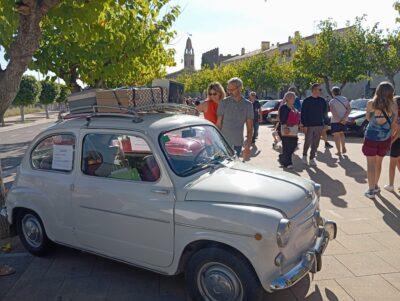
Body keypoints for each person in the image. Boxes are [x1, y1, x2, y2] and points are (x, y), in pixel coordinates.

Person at [362, 82, 398, 199]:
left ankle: (371, 190)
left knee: (370, 163)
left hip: (371, 137)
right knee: (379, 162)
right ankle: (376, 185)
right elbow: (393, 123)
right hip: (385, 138)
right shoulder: (394, 105)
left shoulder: (371, 103)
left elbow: (367, 118)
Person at [216, 77, 254, 159]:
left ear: (240, 88)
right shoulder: (223, 103)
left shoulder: (248, 105)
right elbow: (218, 125)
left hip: (238, 144)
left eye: (232, 89)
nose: (229, 92)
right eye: (228, 89)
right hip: (223, 144)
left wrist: (247, 146)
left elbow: (250, 128)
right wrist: (215, 143)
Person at [301, 83, 329, 166]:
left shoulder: (322, 101)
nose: (320, 91)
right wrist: (304, 125)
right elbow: (303, 114)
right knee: (308, 141)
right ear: (313, 90)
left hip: (319, 125)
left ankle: (312, 158)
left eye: (321, 90)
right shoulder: (306, 101)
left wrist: (326, 123)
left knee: (316, 143)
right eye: (319, 89)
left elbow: (325, 113)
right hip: (309, 125)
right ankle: (304, 155)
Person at [278, 92, 300, 169]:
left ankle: (282, 157)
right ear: (287, 98)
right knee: (287, 146)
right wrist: (286, 126)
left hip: (294, 130)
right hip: (286, 129)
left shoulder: (294, 107)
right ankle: (288, 163)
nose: (294, 99)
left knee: (294, 145)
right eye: (292, 98)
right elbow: (282, 119)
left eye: (294, 98)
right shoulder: (283, 107)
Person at [384, 95, 400, 192]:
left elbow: (398, 133)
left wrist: (389, 143)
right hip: (397, 141)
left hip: (397, 142)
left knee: (392, 165)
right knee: (398, 162)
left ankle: (391, 185)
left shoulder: (397, 116)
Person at [329, 86, 351, 156]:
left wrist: (339, 120)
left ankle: (338, 151)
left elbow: (333, 112)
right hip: (344, 120)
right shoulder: (345, 99)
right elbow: (349, 109)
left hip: (335, 121)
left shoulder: (332, 101)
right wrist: (344, 118)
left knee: (336, 136)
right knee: (342, 134)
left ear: (333, 93)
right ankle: (343, 147)